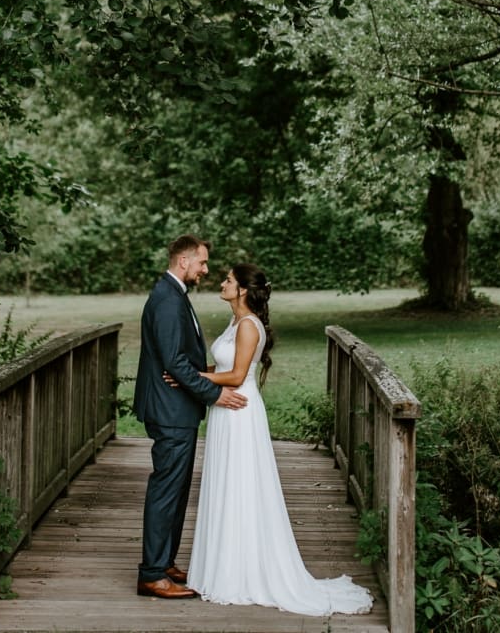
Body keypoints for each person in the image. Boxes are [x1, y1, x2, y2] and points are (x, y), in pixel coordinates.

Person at [179, 264, 373, 616]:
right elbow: (222, 368)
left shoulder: (248, 325)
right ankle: (226, 566)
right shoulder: (236, 321)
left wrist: (189, 376)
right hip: (225, 411)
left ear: (242, 290)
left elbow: (237, 375)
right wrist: (196, 373)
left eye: (228, 280)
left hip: (239, 411)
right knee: (227, 485)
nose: (222, 283)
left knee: (241, 486)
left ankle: (242, 573)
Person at [132, 234, 248, 599]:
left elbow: (181, 359)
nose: (206, 269)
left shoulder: (174, 294)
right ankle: (152, 574)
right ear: (184, 261)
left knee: (177, 489)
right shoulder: (167, 300)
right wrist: (215, 393)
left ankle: (164, 561)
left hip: (177, 408)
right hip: (169, 409)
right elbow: (175, 362)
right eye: (202, 262)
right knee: (167, 489)